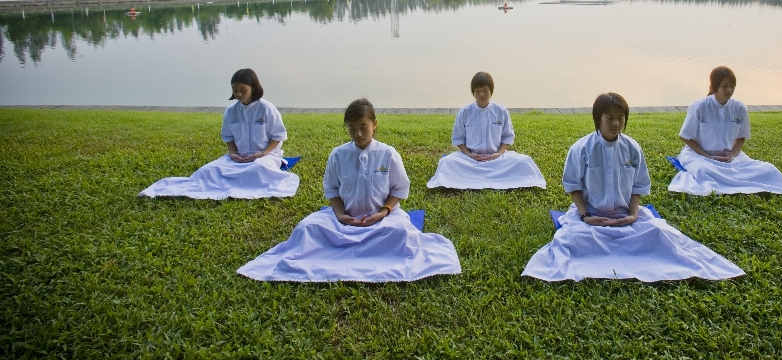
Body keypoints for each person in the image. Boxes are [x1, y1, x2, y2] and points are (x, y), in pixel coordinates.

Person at [522, 93, 744, 282]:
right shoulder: (581, 148)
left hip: (625, 218)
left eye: (620, 118)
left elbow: (639, 185)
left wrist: (632, 215)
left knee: (659, 233)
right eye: (610, 118)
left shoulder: (632, 148)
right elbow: (573, 186)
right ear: (598, 119)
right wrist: (586, 215)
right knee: (569, 241)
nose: (616, 123)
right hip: (592, 221)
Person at [237, 99, 462, 282]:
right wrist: (341, 215)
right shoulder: (338, 155)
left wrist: (383, 212)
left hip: (381, 220)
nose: (358, 134)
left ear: (374, 124)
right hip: (343, 220)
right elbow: (332, 190)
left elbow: (399, 189)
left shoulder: (388, 154)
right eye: (352, 129)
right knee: (307, 228)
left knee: (402, 234)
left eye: (363, 127)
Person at [140, 69, 298, 199]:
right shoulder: (231, 111)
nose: (239, 94)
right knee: (208, 171)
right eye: (235, 91)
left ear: (253, 88)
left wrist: (263, 153)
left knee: (258, 170)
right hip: (240, 157)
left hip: (265, 156)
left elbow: (278, 136)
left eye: (243, 90)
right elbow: (228, 137)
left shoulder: (266, 109)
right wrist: (233, 154)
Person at [668, 66, 782, 196]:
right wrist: (707, 156)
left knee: (767, 169)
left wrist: (733, 155)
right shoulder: (700, 106)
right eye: (724, 86)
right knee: (703, 171)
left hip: (730, 157)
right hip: (700, 156)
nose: (729, 90)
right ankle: (720, 174)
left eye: (732, 86)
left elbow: (741, 138)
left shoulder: (739, 108)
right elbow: (686, 137)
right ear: (714, 86)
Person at [426, 72, 546, 190]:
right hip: (470, 161)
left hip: (497, 160)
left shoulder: (501, 111)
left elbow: (507, 137)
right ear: (473, 92)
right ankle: (489, 176)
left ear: (491, 91)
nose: (482, 94)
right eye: (478, 91)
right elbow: (458, 138)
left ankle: (472, 178)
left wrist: (498, 153)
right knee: (446, 162)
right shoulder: (465, 112)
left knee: (525, 161)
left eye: (485, 90)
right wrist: (469, 154)